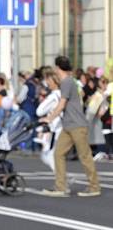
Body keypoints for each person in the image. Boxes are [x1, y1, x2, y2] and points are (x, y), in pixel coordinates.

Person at [40, 55, 101, 197]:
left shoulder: (67, 82)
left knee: (84, 156)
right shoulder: (68, 81)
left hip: (77, 125)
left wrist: (49, 118)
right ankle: (61, 187)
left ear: (57, 68)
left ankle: (94, 187)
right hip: (69, 126)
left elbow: (62, 103)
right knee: (58, 153)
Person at [35, 71, 62, 172]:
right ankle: (62, 180)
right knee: (53, 155)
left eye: (48, 80)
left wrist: (49, 115)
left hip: (57, 128)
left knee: (50, 155)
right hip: (62, 126)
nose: (46, 83)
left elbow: (39, 111)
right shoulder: (63, 94)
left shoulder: (54, 96)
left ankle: (62, 181)